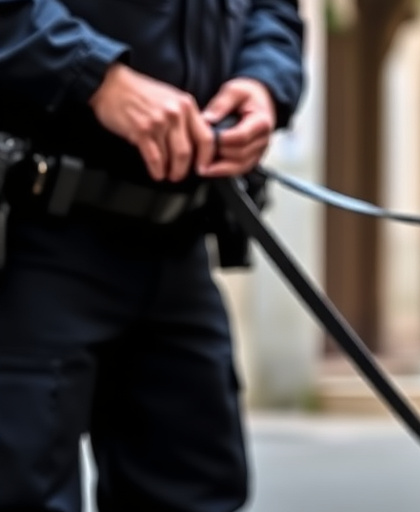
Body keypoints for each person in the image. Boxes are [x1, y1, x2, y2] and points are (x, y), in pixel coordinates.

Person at [0, 0, 304, 510]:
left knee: (199, 493)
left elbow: (272, 10)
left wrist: (264, 81)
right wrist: (95, 74)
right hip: (34, 231)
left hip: (181, 239)